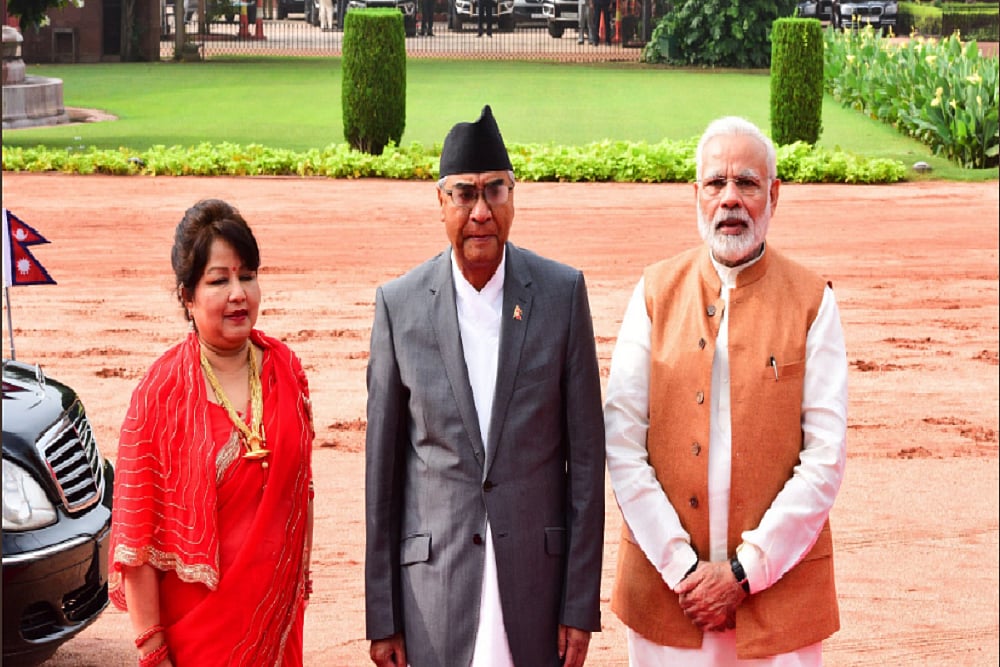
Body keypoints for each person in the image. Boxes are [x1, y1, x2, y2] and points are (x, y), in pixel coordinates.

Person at [365, 104, 605, 667]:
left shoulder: (561, 295)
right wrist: (384, 615)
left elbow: (587, 465)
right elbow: (383, 474)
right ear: (441, 202)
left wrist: (578, 603)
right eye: (464, 194)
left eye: (494, 191)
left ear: (513, 197)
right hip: (434, 592)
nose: (480, 211)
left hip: (536, 591)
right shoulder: (399, 307)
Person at [604, 116, 848, 665]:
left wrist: (744, 572)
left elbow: (825, 460)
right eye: (716, 183)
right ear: (696, 194)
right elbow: (621, 443)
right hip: (669, 601)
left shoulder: (812, 302)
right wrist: (684, 571)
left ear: (774, 194)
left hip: (779, 601)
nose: (730, 200)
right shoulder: (654, 293)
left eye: (747, 183)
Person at [108, 199, 315, 667]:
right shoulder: (160, 394)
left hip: (277, 625)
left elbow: (302, 490)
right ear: (187, 296)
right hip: (195, 637)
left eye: (247, 276)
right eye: (219, 280)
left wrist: (291, 589)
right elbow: (136, 540)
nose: (238, 293)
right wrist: (152, 650)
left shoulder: (286, 370)